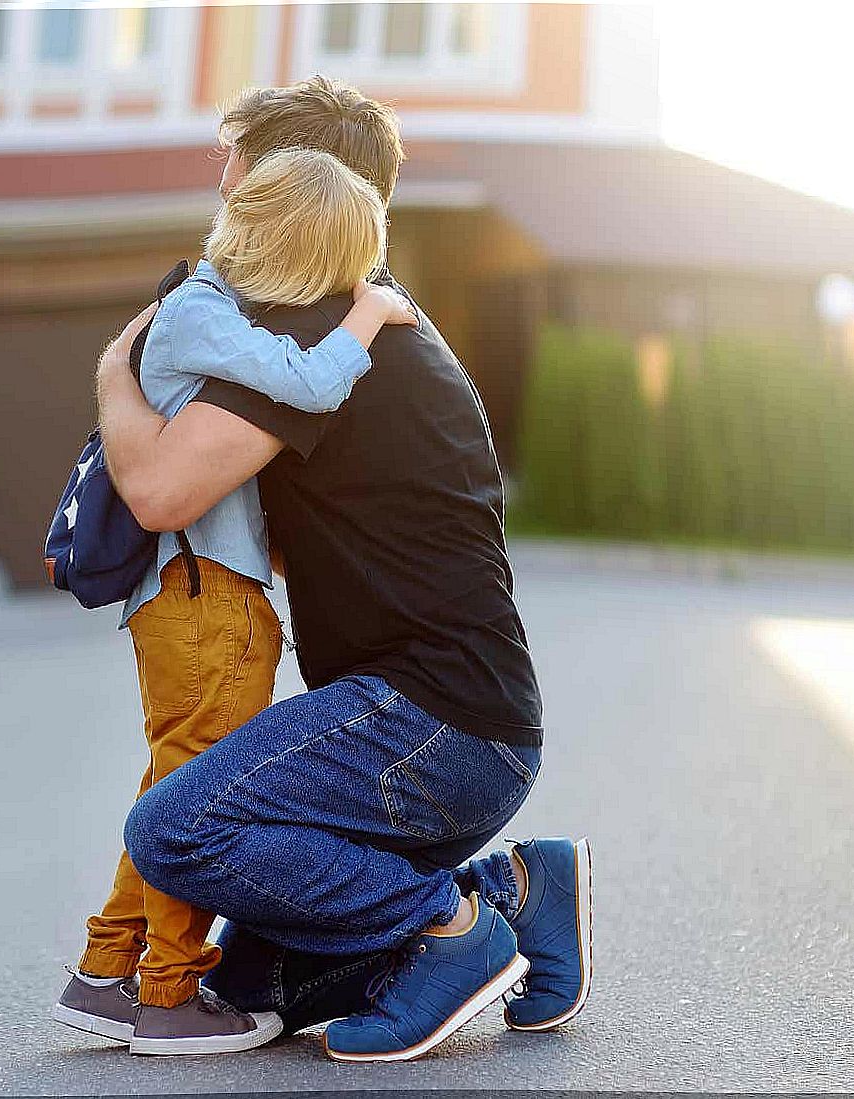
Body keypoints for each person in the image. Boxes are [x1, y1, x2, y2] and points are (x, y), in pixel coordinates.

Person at [91, 77, 593, 1063]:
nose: (221, 182)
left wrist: (113, 372)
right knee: (253, 983)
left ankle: (450, 932)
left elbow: (155, 488)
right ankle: (516, 892)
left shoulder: (313, 330)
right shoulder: (360, 317)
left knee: (175, 834)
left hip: (430, 726)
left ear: (291, 183)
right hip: (450, 732)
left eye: (235, 163)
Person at [53, 145, 419, 1056]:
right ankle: (169, 992)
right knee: (196, 798)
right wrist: (371, 312)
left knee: (171, 781)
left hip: (200, 592)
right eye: (335, 269)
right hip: (202, 595)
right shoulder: (199, 314)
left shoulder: (201, 313)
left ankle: (106, 972)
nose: (338, 289)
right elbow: (310, 382)